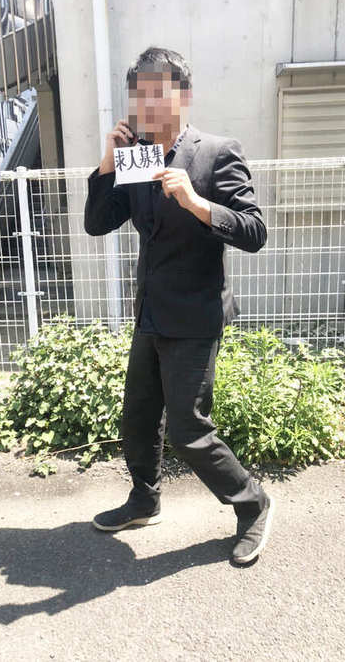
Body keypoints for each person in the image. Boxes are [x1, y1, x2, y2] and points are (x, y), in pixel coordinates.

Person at [84, 46, 275, 564]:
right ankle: (144, 500)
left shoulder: (216, 153)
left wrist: (197, 202)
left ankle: (253, 504)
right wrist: (107, 162)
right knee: (138, 417)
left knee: (189, 430)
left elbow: (254, 231)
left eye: (157, 92)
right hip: (150, 310)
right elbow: (98, 223)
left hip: (195, 314)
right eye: (137, 94)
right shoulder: (137, 156)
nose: (145, 104)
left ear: (183, 95)